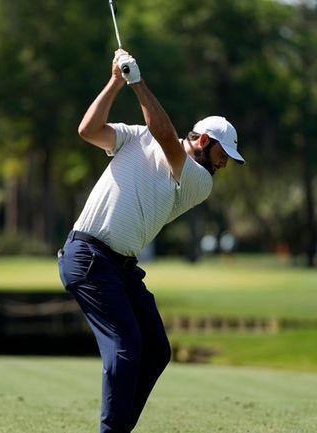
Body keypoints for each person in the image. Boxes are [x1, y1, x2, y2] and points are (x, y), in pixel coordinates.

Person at [57, 49, 245, 433]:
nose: (225, 163)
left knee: (156, 350)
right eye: (223, 153)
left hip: (118, 267)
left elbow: (165, 137)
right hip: (89, 257)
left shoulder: (198, 180)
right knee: (126, 349)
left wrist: (137, 83)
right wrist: (115, 81)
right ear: (205, 140)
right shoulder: (136, 137)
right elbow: (89, 130)